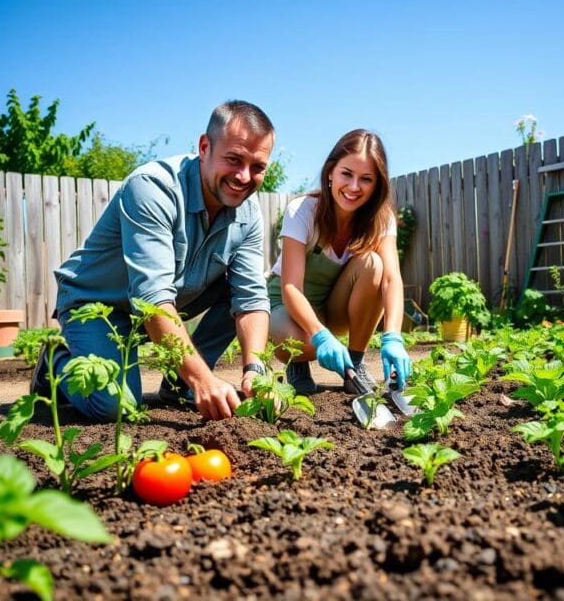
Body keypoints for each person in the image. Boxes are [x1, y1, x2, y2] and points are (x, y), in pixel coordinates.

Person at [30, 100, 274, 421]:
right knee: (116, 406)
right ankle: (55, 364)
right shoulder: (153, 188)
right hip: (99, 307)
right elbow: (152, 299)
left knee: (236, 289)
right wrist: (202, 379)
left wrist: (254, 370)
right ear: (204, 147)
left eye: (257, 167)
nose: (244, 177)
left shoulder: (248, 212)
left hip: (166, 306)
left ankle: (178, 384)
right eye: (233, 160)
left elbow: (251, 299)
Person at [267, 129, 411, 395]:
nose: (354, 187)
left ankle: (354, 363)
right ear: (331, 172)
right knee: (302, 345)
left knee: (373, 263)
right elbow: (290, 288)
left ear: (377, 183)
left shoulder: (381, 219)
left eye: (366, 179)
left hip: (332, 307)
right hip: (287, 307)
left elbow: (391, 278)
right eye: (347, 174)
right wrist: (320, 336)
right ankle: (298, 364)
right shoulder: (303, 211)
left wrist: (393, 336)